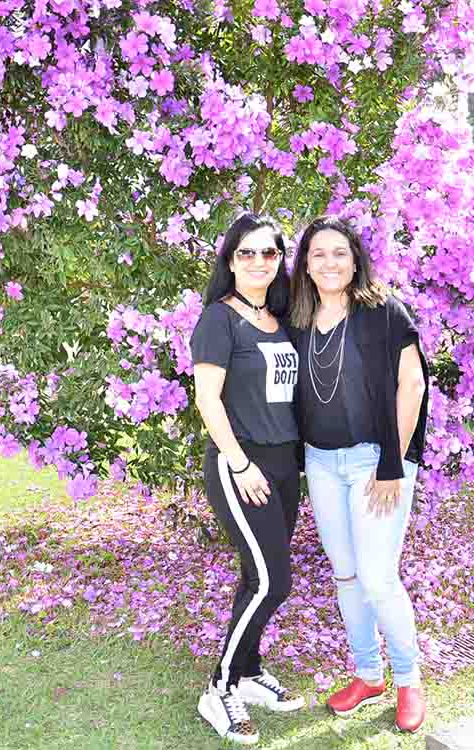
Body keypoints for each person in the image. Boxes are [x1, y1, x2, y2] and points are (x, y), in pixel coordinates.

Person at [289, 215, 430, 733]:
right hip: (322, 463)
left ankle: (409, 679)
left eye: (340, 253)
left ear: (355, 261)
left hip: (377, 459)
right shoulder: (298, 318)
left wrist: (393, 463)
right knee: (346, 573)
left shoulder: (382, 310)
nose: (330, 262)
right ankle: (369, 674)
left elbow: (412, 385)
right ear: (306, 264)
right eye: (319, 253)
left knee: (376, 576)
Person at [191, 212, 306, 745]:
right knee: (272, 581)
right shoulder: (219, 319)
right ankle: (220, 688)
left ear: (280, 260)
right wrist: (239, 463)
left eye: (269, 252)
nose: (258, 261)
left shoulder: (279, 319)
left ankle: (249, 672)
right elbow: (207, 399)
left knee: (255, 576)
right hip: (241, 464)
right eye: (247, 252)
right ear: (230, 261)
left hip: (284, 465)